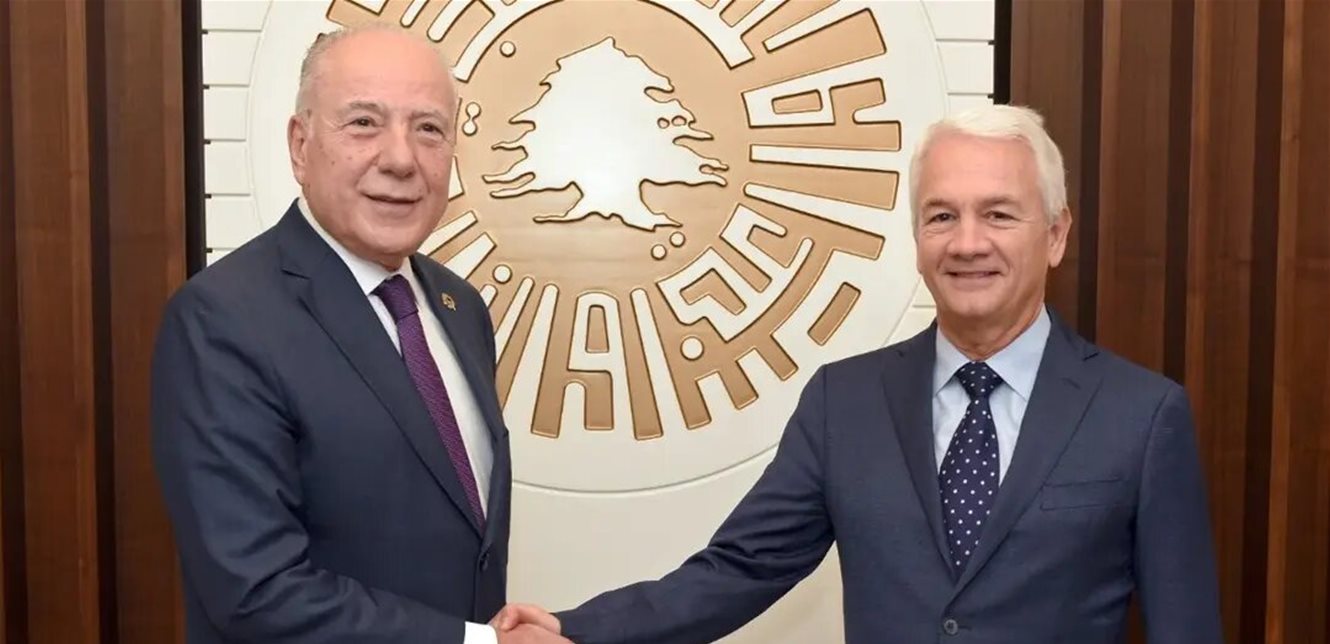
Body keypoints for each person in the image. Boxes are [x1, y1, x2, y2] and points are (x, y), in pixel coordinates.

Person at [492, 105, 1223, 643]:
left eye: (999, 215)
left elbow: (1185, 629)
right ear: (917, 237)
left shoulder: (1142, 416)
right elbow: (739, 569)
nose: (967, 243)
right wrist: (575, 630)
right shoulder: (845, 403)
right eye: (941, 217)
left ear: (1056, 234)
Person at [152, 25, 566, 644]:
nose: (401, 159)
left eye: (429, 129)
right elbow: (255, 589)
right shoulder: (223, 320)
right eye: (364, 123)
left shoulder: (460, 308)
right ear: (300, 146)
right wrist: (477, 643)